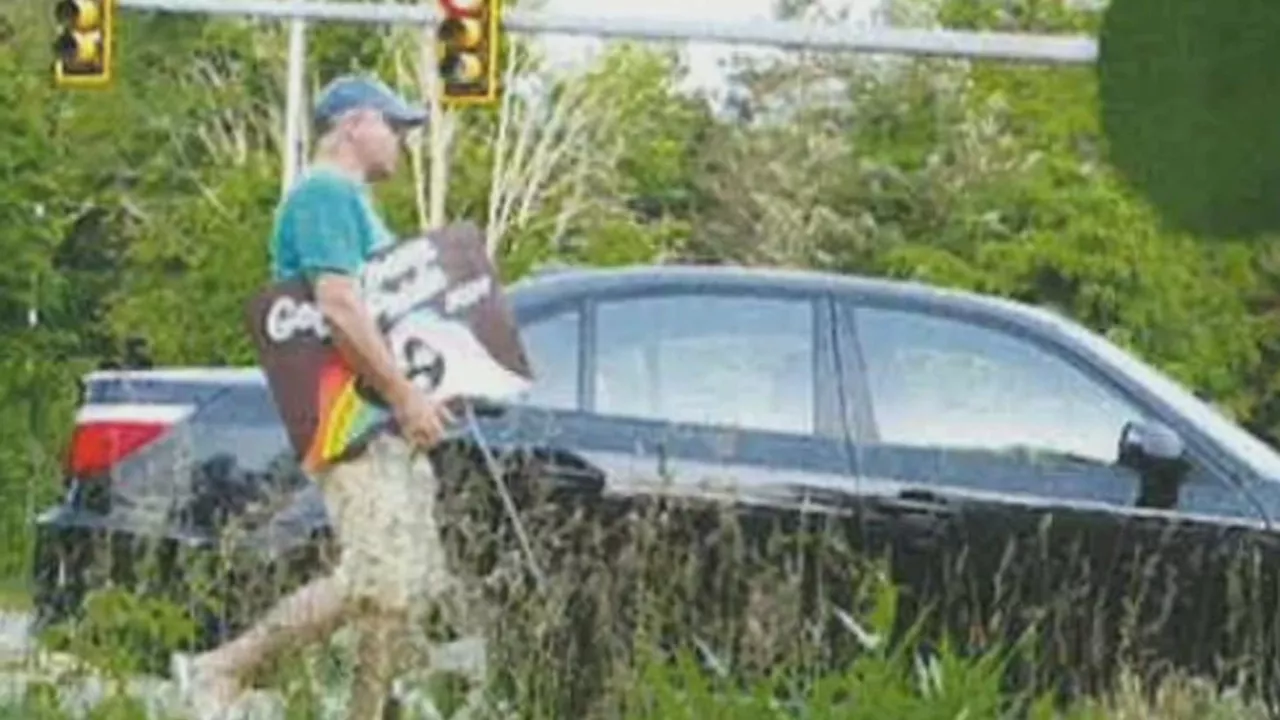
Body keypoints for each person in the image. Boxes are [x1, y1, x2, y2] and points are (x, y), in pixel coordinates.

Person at [172, 73, 456, 720]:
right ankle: (222, 670)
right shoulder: (325, 195)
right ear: (354, 123)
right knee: (374, 575)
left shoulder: (352, 202)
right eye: (395, 125)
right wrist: (405, 394)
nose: (403, 141)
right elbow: (340, 309)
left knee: (401, 589)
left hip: (380, 419)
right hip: (349, 415)